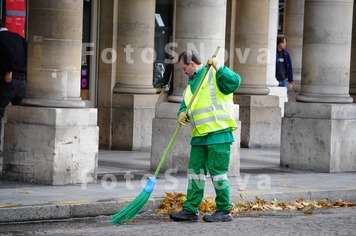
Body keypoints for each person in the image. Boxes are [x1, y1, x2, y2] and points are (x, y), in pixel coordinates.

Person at [169, 49, 241, 223]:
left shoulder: (214, 75)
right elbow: (185, 106)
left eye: (184, 68)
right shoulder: (189, 86)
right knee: (195, 173)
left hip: (218, 134)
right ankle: (190, 209)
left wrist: (220, 67)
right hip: (200, 137)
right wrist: (181, 114)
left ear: (192, 64)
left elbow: (235, 82)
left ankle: (224, 210)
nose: (183, 72)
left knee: (218, 174)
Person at [0, 20, 27, 143]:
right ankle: (21, 144)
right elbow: (29, 51)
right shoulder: (17, 37)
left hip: (8, 81)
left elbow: (8, 53)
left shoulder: (1, 38)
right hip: (22, 82)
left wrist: (9, 70)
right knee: (21, 115)